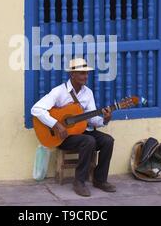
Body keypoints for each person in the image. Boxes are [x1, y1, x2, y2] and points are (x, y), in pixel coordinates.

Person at [31, 58, 116, 197]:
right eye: (82, 73)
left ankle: (100, 180)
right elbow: (36, 109)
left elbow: (92, 119)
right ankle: (79, 182)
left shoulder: (88, 93)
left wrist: (105, 119)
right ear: (72, 75)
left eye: (86, 73)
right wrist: (56, 125)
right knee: (89, 141)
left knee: (108, 141)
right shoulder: (59, 91)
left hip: (81, 132)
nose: (85, 76)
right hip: (62, 137)